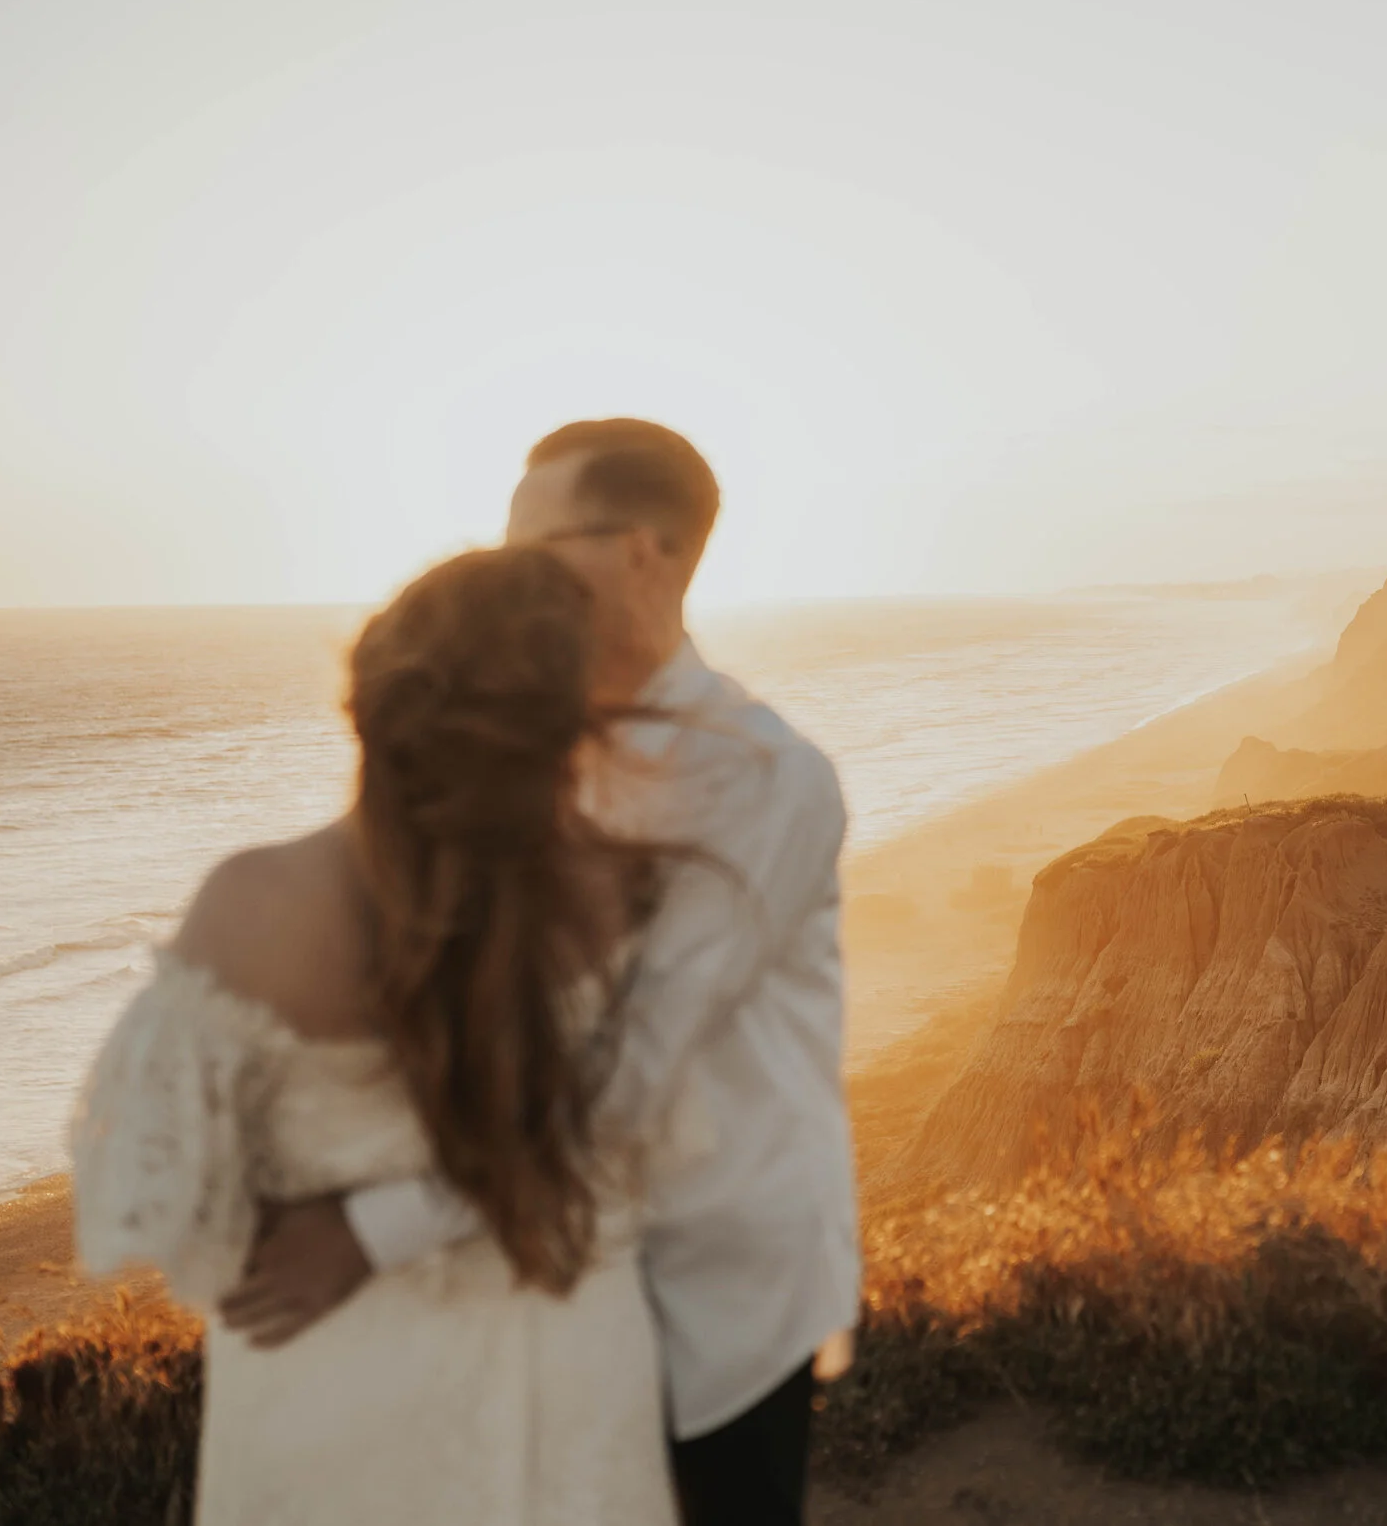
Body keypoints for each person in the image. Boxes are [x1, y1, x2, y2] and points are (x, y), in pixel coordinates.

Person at [218, 419, 858, 1526]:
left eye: (535, 549)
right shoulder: (517, 752)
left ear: (641, 553)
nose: (509, 578)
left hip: (718, 1288)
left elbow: (623, 1079)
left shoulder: (767, 780)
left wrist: (368, 1233)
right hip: (541, 1272)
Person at [73, 544, 680, 1524]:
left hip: (338, 1381)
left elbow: (173, 1210)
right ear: (572, 727)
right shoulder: (625, 884)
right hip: (570, 1353)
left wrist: (350, 1224)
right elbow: (637, 1124)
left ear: (367, 699)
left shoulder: (256, 904)